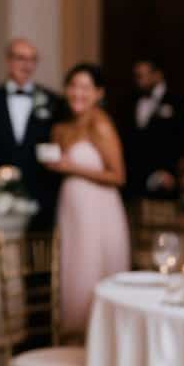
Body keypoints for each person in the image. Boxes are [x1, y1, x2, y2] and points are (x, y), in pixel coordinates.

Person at [47, 62, 131, 333]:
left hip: (99, 211)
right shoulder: (61, 128)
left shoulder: (101, 125)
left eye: (85, 87)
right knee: (72, 272)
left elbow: (118, 176)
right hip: (71, 211)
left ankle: (96, 341)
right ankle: (72, 339)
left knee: (91, 272)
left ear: (98, 93)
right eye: (73, 86)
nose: (77, 93)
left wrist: (73, 168)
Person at [0, 38, 60, 229]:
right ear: (8, 61)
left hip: (41, 196)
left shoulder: (53, 101)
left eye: (32, 59)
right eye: (20, 58)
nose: (26, 65)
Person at [121, 58, 184, 200]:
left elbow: (181, 140)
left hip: (167, 178)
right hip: (135, 178)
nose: (137, 80)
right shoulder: (129, 101)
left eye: (141, 76)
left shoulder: (177, 100)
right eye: (136, 76)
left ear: (157, 75)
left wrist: (172, 172)